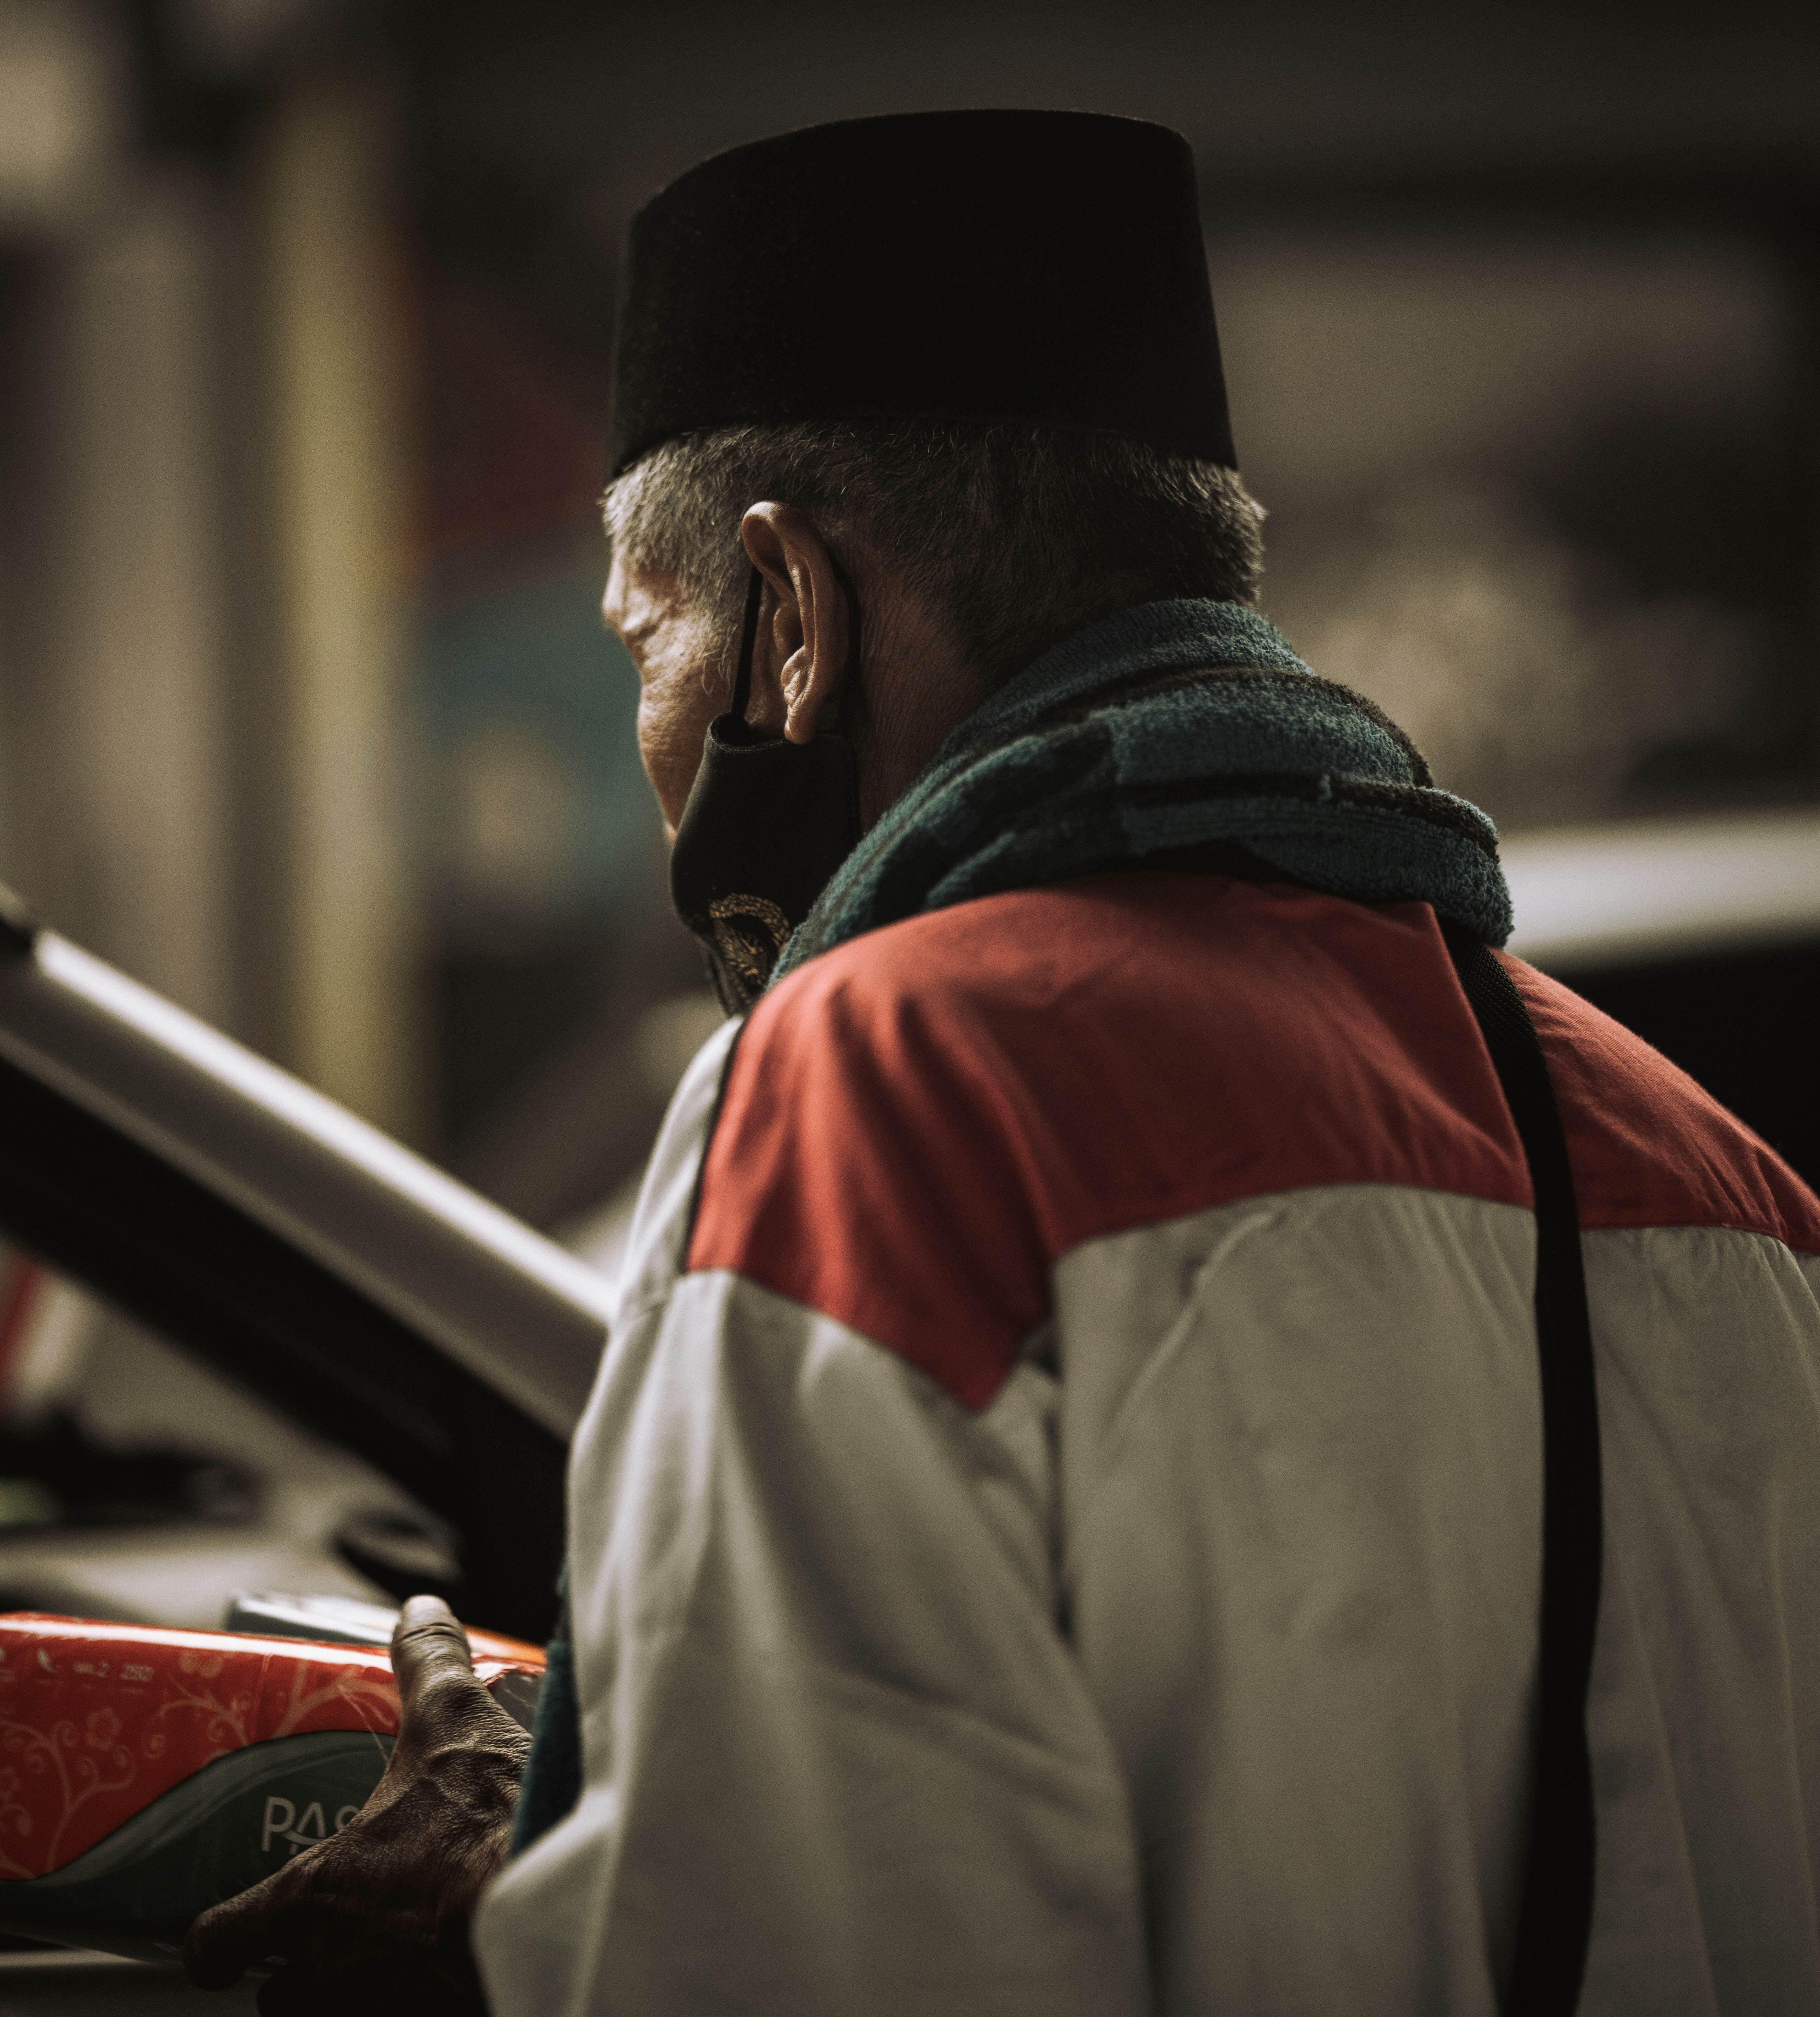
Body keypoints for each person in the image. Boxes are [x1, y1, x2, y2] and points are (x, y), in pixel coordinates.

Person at [187, 110, 1820, 2016]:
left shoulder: (875, 1095)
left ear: (787, 622)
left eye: (652, 639)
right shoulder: (1723, 1187)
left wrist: (512, 1909)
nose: (653, 734)